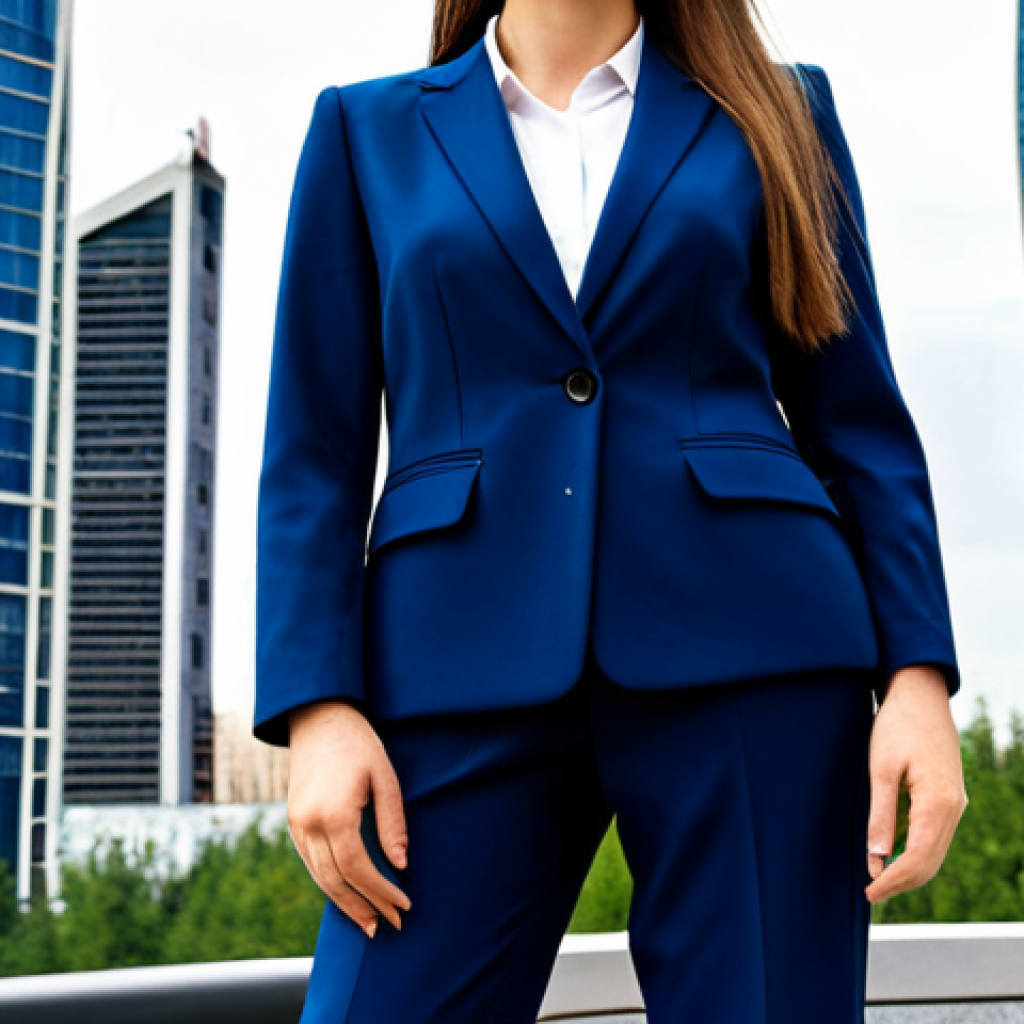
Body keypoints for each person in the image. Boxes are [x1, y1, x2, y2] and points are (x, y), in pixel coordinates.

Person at [253, 1, 969, 1020]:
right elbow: (312, 457)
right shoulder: (365, 132)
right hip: (453, 664)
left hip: (756, 648)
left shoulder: (779, 113)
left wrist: (917, 675)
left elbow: (856, 422)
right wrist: (319, 708)